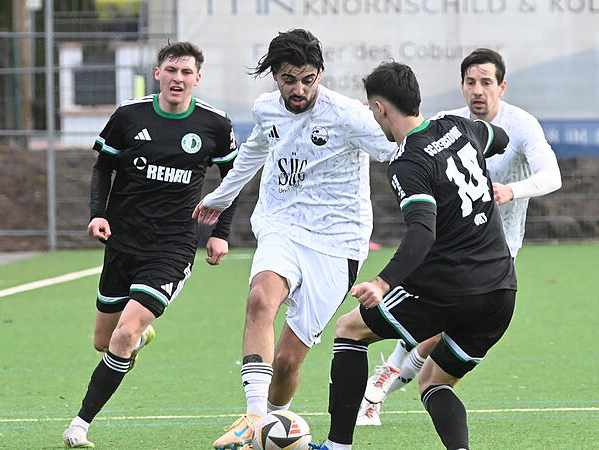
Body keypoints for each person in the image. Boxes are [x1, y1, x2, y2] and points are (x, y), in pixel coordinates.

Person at [192, 29, 396, 449]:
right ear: (274, 75)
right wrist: (219, 197)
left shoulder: (349, 115)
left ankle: (270, 423)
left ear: (320, 73)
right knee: (260, 299)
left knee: (286, 364)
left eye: (308, 78)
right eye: (289, 79)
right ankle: (253, 418)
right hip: (281, 224)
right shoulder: (267, 109)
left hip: (338, 244)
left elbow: (400, 149)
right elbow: (253, 152)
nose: (299, 89)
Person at [310, 60, 515, 450]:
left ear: (380, 109)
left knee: (349, 331)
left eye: (373, 109)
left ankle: (338, 446)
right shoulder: (458, 126)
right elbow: (500, 138)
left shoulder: (408, 163)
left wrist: (382, 282)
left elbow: (423, 230)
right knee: (433, 382)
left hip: (450, 289)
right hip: (501, 290)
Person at [357, 47, 562, 426]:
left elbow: (553, 177)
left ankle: (387, 375)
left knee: (436, 335)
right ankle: (386, 379)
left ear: (502, 86)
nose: (478, 91)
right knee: (434, 332)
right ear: (462, 86)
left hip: (496, 250)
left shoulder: (522, 125)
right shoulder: (448, 122)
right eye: (470, 83)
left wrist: (511, 190)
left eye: (486, 82)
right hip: (445, 249)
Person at [61, 41, 239, 448]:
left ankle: (80, 424)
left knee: (122, 337)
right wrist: (97, 214)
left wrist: (220, 233)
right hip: (123, 242)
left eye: (186, 72)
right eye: (171, 70)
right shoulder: (129, 116)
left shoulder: (215, 124)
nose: (178, 79)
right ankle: (141, 335)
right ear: (158, 73)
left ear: (198, 77)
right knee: (104, 343)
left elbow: (233, 181)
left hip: (173, 247)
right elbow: (103, 167)